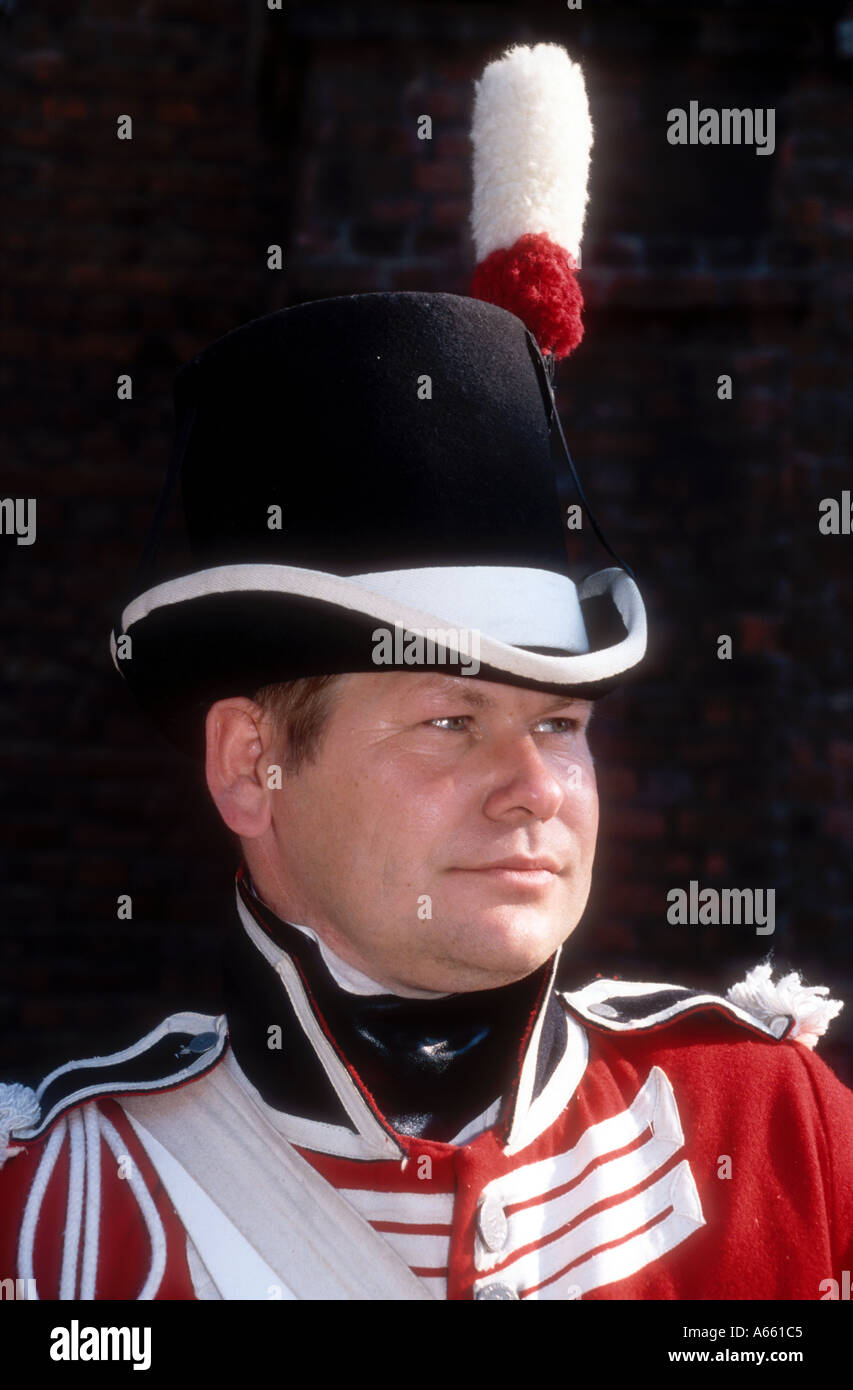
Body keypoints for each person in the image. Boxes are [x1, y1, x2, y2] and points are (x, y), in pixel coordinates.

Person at [1, 43, 851, 1304]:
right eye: (452, 720)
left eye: (559, 721)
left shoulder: (783, 1134)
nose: (533, 789)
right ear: (252, 763)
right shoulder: (54, 1210)